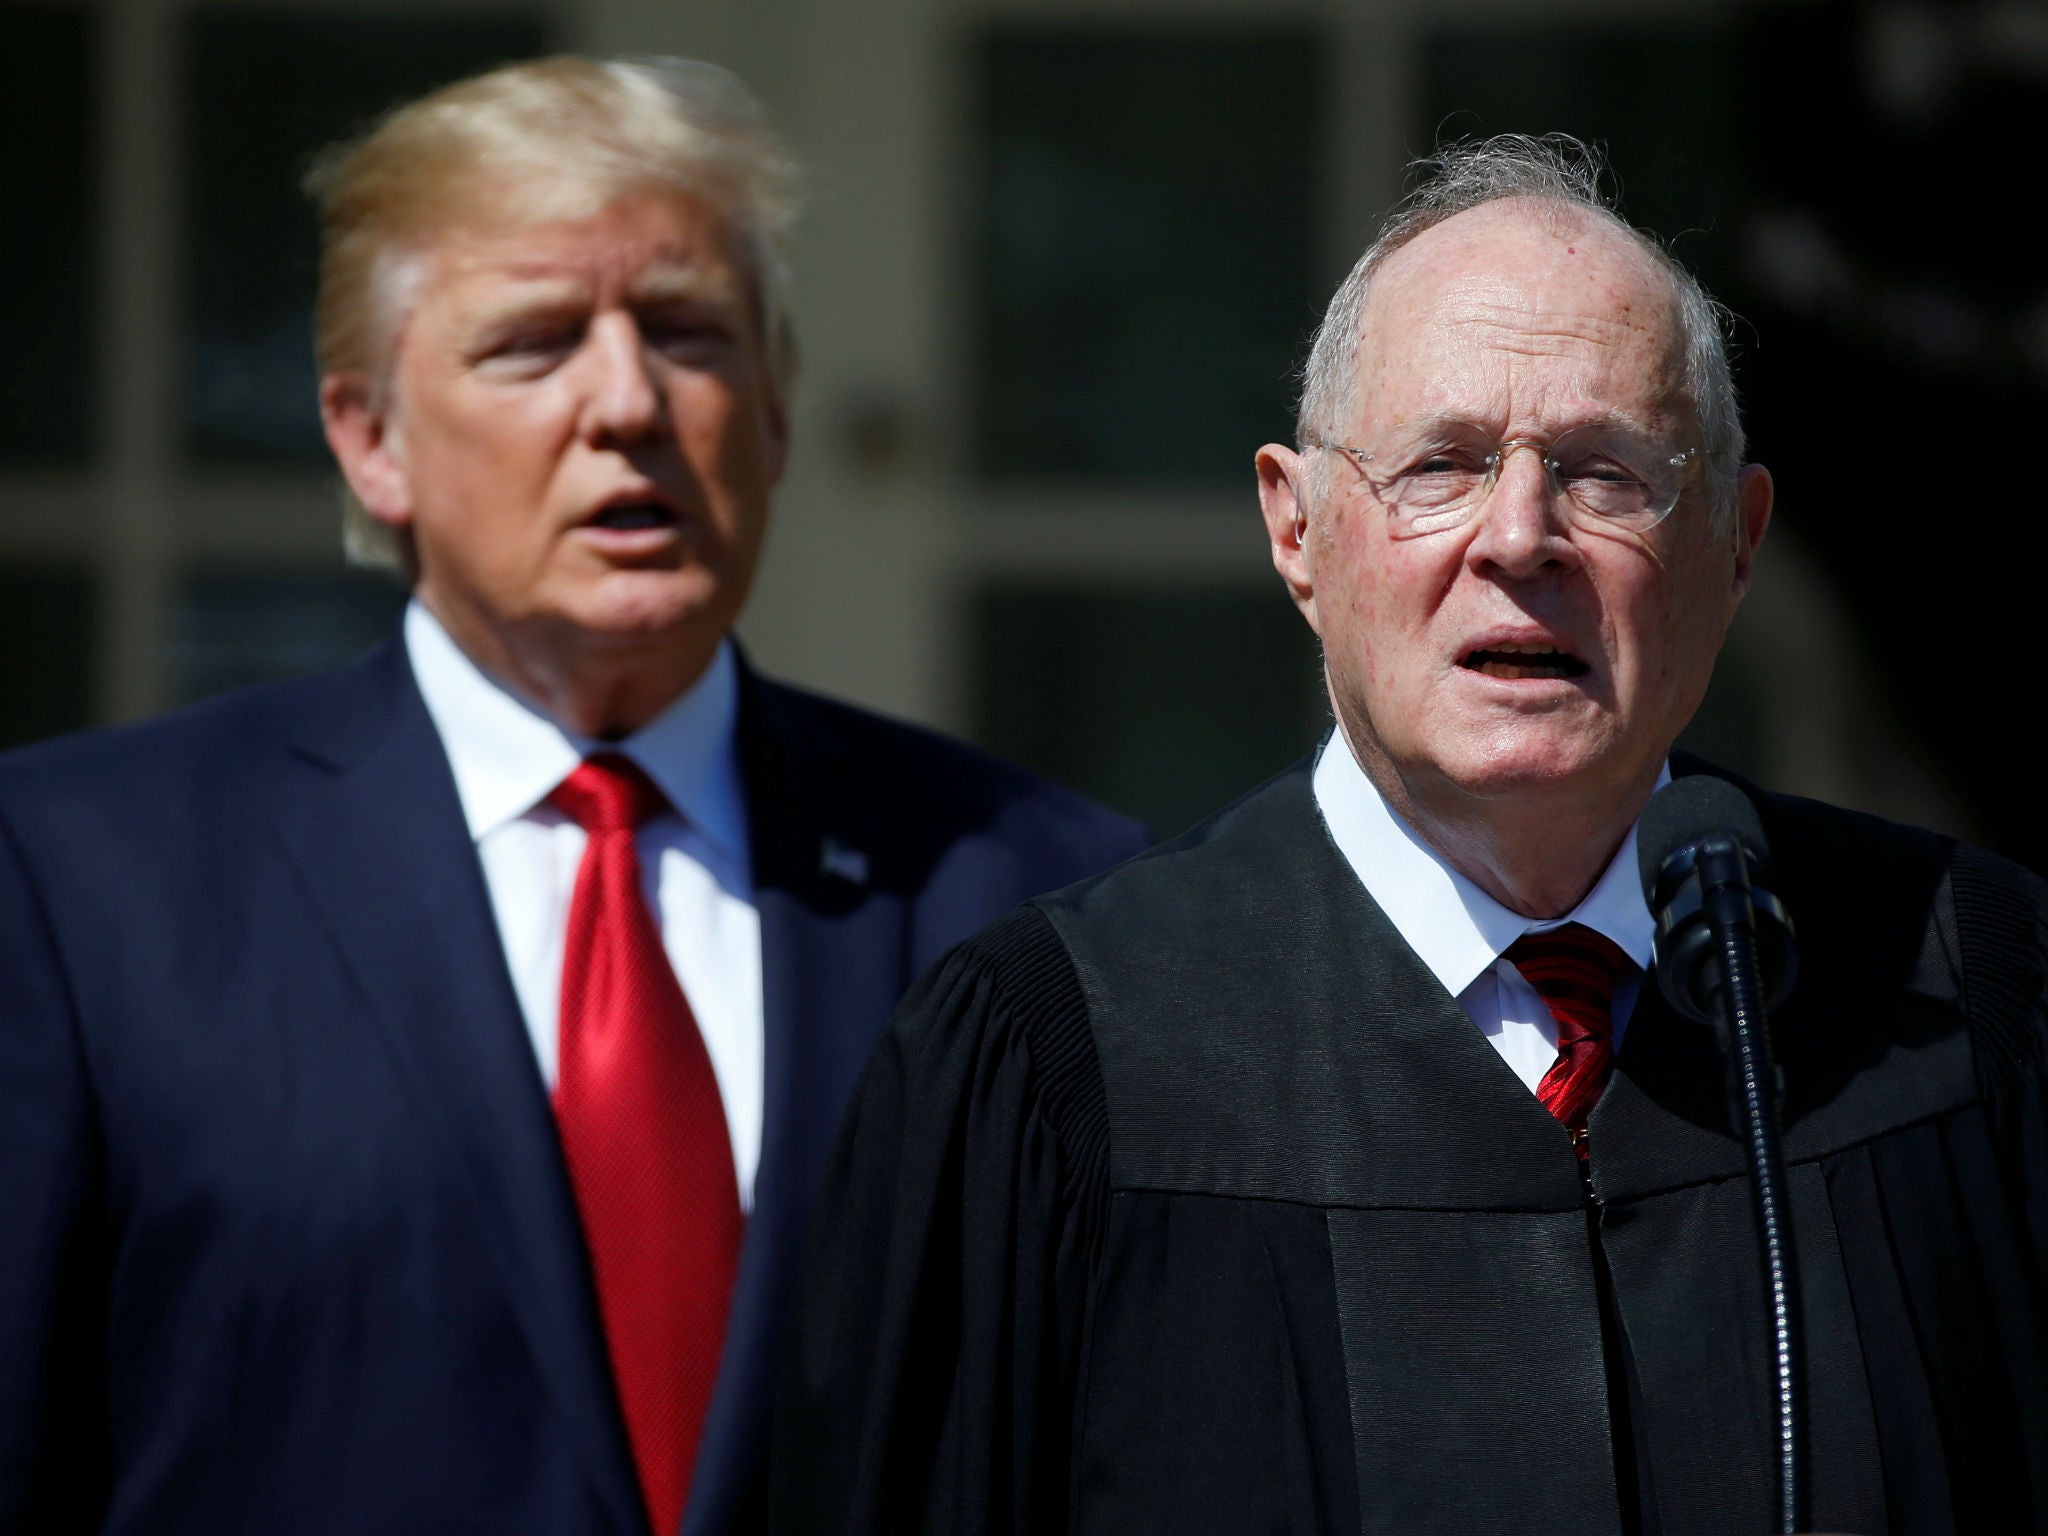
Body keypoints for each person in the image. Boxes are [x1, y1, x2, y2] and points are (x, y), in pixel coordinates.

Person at [771, 136, 2048, 1536]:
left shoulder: (1958, 993)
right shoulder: (1053, 1059)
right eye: (1441, 465)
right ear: (1298, 528)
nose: (1520, 537)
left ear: (1736, 545)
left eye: (1606, 473)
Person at [0, 56, 1146, 1536]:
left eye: (687, 334)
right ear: (367, 437)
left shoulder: (1035, 894)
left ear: (780, 413)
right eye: (536, 344)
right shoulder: (82, 885)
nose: (628, 403)